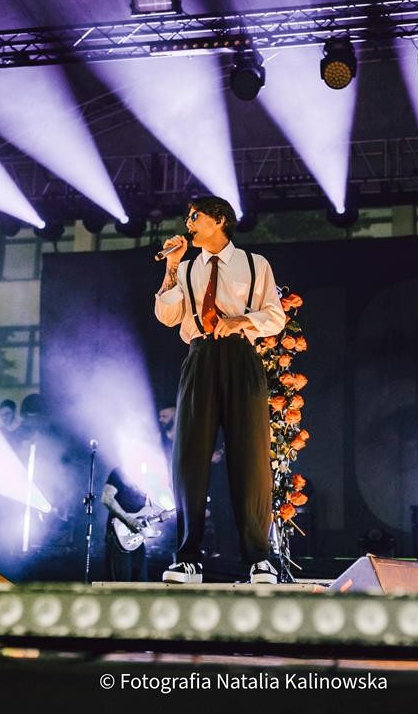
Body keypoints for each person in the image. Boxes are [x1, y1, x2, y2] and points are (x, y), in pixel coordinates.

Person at [154, 196, 286, 584]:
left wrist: (242, 320)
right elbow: (167, 316)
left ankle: (258, 558)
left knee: (250, 456)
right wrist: (172, 266)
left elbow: (275, 317)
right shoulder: (186, 268)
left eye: (195, 217)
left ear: (220, 220)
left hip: (241, 356)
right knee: (189, 457)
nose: (189, 224)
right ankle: (187, 557)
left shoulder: (254, 264)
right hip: (200, 356)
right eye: (188, 217)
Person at [101, 467, 154, 581]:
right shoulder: (120, 472)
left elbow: (148, 506)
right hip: (118, 536)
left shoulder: (145, 475)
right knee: (121, 583)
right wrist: (128, 519)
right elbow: (107, 498)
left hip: (138, 538)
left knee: (140, 584)